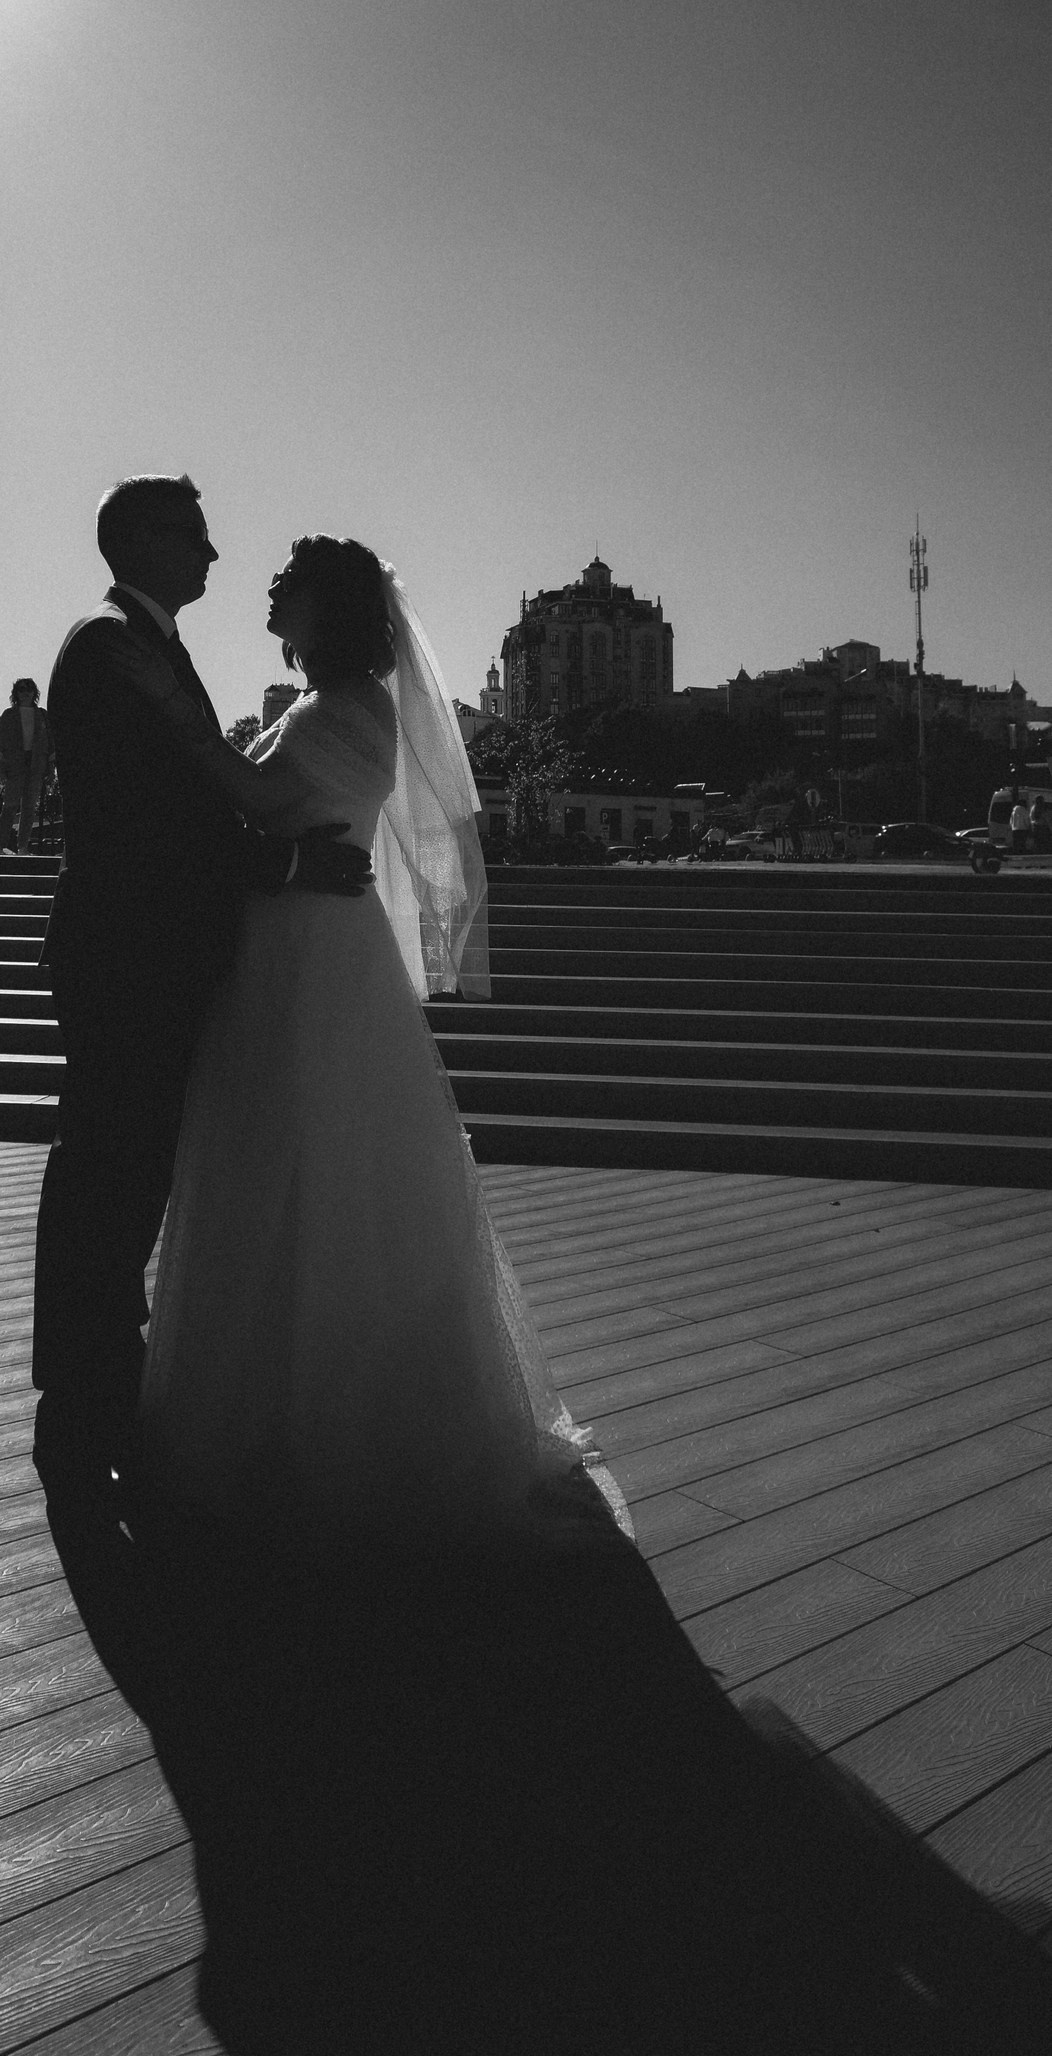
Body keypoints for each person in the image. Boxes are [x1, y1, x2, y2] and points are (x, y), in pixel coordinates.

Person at [95, 533, 1051, 2055]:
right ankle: (271, 1399)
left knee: (330, 1191)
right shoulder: (313, 703)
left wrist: (185, 737)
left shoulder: (346, 711)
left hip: (315, 974)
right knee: (280, 1188)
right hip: (286, 962)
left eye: (286, 583)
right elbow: (258, 812)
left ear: (331, 607)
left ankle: (321, 1420)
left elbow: (260, 802)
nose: (267, 594)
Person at [30, 477, 372, 1705]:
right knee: (104, 1174)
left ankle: (95, 1398)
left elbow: (190, 799)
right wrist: (283, 865)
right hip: (127, 955)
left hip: (155, 958)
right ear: (138, 541)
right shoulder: (107, 650)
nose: (216, 552)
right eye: (194, 533)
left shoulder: (148, 649)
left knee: (124, 1178)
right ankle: (78, 1414)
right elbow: (157, 819)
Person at [0, 677, 51, 853]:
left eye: (29, 689)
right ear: (16, 693)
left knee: (29, 808)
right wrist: (1, 769)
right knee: (9, 806)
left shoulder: (43, 715)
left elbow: (50, 744)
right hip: (14, 766)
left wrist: (50, 769)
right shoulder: (8, 715)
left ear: (34, 692)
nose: (25, 692)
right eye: (21, 689)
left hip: (36, 765)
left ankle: (23, 847)